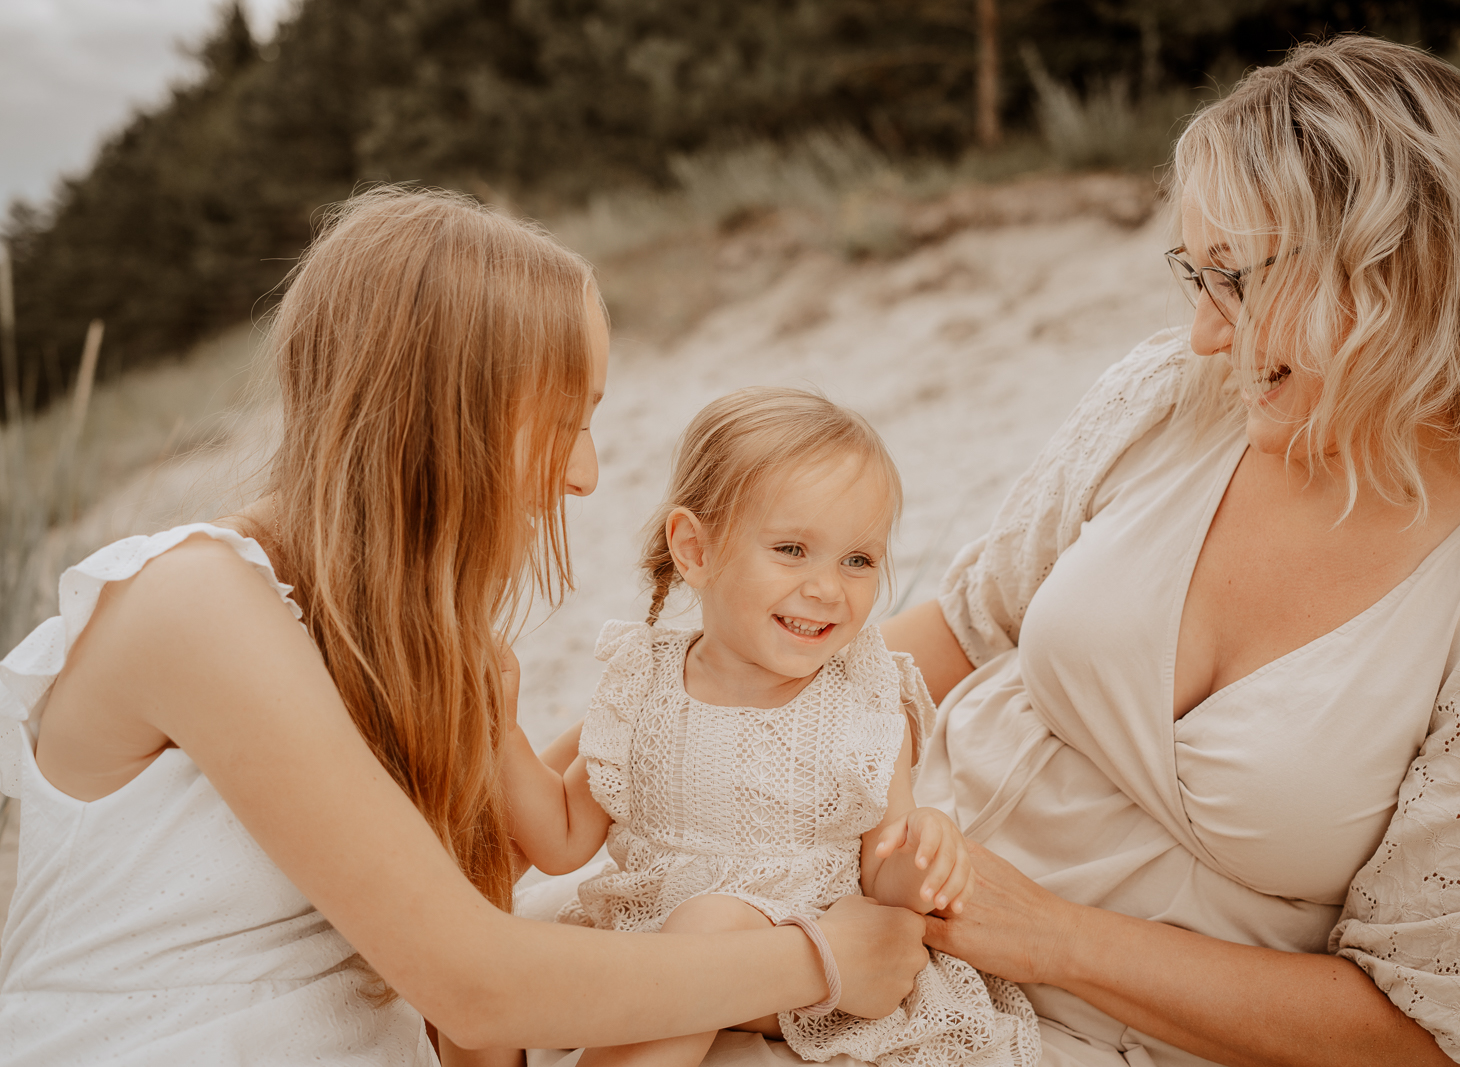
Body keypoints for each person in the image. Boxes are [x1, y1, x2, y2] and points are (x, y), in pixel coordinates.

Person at [562, 34, 1460, 1067]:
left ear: (1393, 272)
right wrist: (642, 730)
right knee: (556, 1008)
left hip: (1093, 1032)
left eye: (1235, 280)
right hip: (854, 897)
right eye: (1196, 276)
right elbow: (958, 627)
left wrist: (1055, 939)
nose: (1205, 332)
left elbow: (1420, 1035)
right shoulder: (1171, 398)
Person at [0, 189, 928, 1065]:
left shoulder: (396, 630)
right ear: (443, 416)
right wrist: (821, 959)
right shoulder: (194, 602)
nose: (585, 474)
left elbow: (494, 935)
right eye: (564, 421)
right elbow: (479, 984)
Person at [462, 387, 1039, 1067]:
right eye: (792, 549)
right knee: (492, 966)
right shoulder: (644, 685)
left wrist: (922, 857)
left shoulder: (863, 700)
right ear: (696, 550)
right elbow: (561, 838)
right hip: (651, 946)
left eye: (858, 559)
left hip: (807, 964)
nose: (828, 587)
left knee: (711, 925)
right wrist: (500, 731)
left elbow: (882, 875)